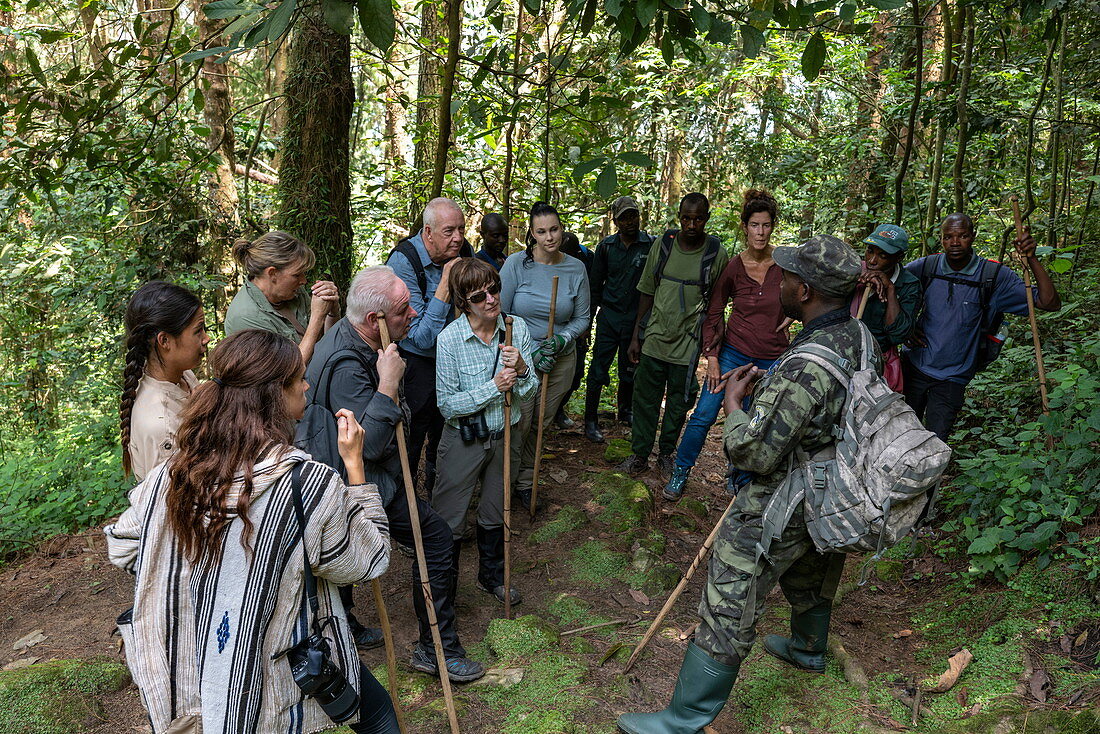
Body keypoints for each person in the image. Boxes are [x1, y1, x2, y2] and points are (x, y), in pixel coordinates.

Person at [616, 235, 871, 734]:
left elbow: (754, 451)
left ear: (807, 290)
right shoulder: (858, 336)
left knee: (731, 587)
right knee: (816, 560)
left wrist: (735, 404)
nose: (783, 279)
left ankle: (684, 717)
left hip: (789, 494)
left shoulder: (807, 363)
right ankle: (807, 647)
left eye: (791, 275)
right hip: (836, 486)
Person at [106, 329, 399, 734]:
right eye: (299, 378)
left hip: (199, 661)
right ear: (276, 394)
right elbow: (368, 559)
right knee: (379, 716)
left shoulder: (173, 476)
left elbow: (123, 545)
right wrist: (355, 469)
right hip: (278, 666)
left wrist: (201, 580)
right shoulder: (305, 485)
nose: (308, 384)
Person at [298, 265, 484, 682]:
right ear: (374, 320)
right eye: (404, 310)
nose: (415, 315)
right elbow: (371, 445)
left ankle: (344, 623)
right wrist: (387, 386)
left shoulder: (354, 337)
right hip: (355, 484)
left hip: (342, 479)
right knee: (434, 537)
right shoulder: (347, 363)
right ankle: (437, 649)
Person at [663, 189, 790, 502]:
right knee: (704, 414)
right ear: (744, 227)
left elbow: (808, 292)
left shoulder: (786, 264)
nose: (760, 232)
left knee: (754, 420)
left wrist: (792, 314)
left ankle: (741, 479)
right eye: (754, 225)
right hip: (733, 352)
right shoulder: (733, 267)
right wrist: (713, 358)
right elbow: (715, 311)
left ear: (772, 227)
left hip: (772, 357)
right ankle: (681, 470)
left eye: (766, 225)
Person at [433, 259, 539, 605]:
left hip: (505, 435)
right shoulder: (450, 340)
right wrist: (494, 388)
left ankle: (491, 576)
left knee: (495, 509)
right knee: (449, 516)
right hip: (464, 437)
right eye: (480, 296)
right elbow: (447, 405)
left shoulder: (515, 328)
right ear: (464, 301)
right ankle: (442, 589)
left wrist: (522, 370)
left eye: (495, 289)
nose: (491, 299)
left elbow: (531, 390)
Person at [903, 213, 1060, 440]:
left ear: (973, 236)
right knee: (900, 436)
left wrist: (1032, 259)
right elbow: (890, 284)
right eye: (948, 237)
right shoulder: (927, 267)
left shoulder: (993, 277)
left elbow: (1049, 303)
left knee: (934, 444)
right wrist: (904, 328)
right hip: (914, 368)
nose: (955, 243)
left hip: (952, 377)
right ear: (941, 238)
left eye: (963, 236)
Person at [618, 192, 729, 476]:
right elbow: (646, 291)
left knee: (680, 401)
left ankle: (666, 453)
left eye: (698, 219)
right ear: (679, 217)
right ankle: (640, 453)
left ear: (706, 218)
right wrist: (636, 337)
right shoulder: (663, 245)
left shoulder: (715, 253)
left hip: (688, 343)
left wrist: (713, 339)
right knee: (644, 398)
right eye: (686, 218)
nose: (691, 225)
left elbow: (717, 302)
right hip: (655, 336)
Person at [501, 201, 591, 510]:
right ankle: (504, 485)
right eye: (541, 232)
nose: (549, 237)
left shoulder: (576, 268)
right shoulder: (515, 265)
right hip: (521, 356)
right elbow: (501, 313)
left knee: (541, 422)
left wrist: (562, 339)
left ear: (562, 229)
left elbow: (582, 318)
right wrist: (530, 350)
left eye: (554, 229)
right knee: (520, 422)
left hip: (560, 358)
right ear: (532, 234)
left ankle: (527, 483)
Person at [385, 197, 470, 494]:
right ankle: (403, 500)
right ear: (428, 232)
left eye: (461, 228)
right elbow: (419, 337)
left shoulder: (462, 250)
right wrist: (445, 286)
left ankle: (438, 495)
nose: (458, 237)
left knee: (446, 432)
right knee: (413, 433)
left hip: (454, 358)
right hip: (416, 362)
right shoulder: (403, 261)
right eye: (449, 231)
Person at [120, 282, 210, 482]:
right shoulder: (161, 426)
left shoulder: (181, 375)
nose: (206, 338)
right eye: (198, 331)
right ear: (164, 341)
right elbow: (168, 505)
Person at [583, 195, 654, 443]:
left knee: (630, 367)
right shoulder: (606, 247)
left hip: (637, 318)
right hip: (610, 317)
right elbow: (595, 286)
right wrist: (589, 321)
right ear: (615, 221)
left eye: (633, 215)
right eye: (624, 217)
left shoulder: (650, 245)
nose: (629, 222)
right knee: (599, 369)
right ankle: (590, 420)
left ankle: (626, 410)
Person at [225, 231, 340, 364]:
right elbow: (286, 372)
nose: (303, 281)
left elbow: (329, 344)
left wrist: (332, 311)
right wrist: (317, 318)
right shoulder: (245, 317)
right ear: (272, 273)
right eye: (297, 275)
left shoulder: (292, 291)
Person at [851, 223, 923, 392]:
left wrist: (890, 289)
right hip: (844, 353)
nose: (872, 260)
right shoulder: (854, 268)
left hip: (878, 362)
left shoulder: (909, 285)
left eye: (882, 255)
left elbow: (898, 334)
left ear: (899, 258)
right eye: (870, 251)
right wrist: (856, 278)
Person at [554, 231, 594, 429]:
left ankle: (558, 409)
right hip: (551, 330)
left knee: (575, 374)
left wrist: (585, 327)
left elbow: (590, 295)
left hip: (576, 329)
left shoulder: (584, 262)